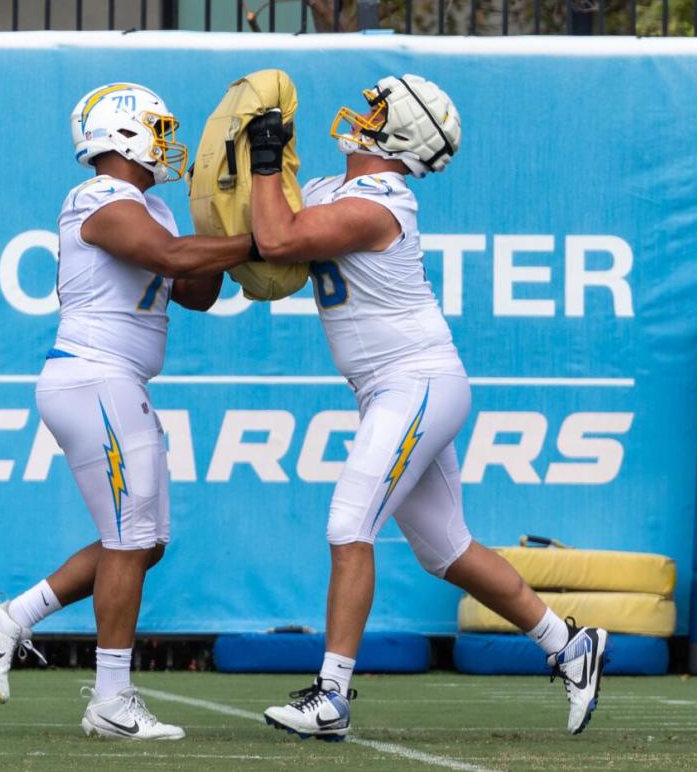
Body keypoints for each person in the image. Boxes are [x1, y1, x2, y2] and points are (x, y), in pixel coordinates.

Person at [248, 74, 608, 740]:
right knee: (447, 550)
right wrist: (257, 167)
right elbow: (263, 232)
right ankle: (569, 644)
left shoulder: (381, 203)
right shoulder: (337, 191)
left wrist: (265, 158)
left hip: (415, 382)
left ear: (401, 133)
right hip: (398, 386)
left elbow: (275, 241)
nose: (363, 112)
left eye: (379, 109)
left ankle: (330, 695)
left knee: (349, 523)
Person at [0, 82, 257, 740]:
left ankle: (10, 618)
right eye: (156, 127)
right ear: (123, 133)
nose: (165, 141)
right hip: (96, 379)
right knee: (130, 539)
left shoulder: (148, 204)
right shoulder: (99, 197)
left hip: (115, 382)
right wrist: (259, 242)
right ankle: (112, 700)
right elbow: (172, 258)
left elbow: (196, 291)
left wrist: (226, 227)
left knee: (145, 544)